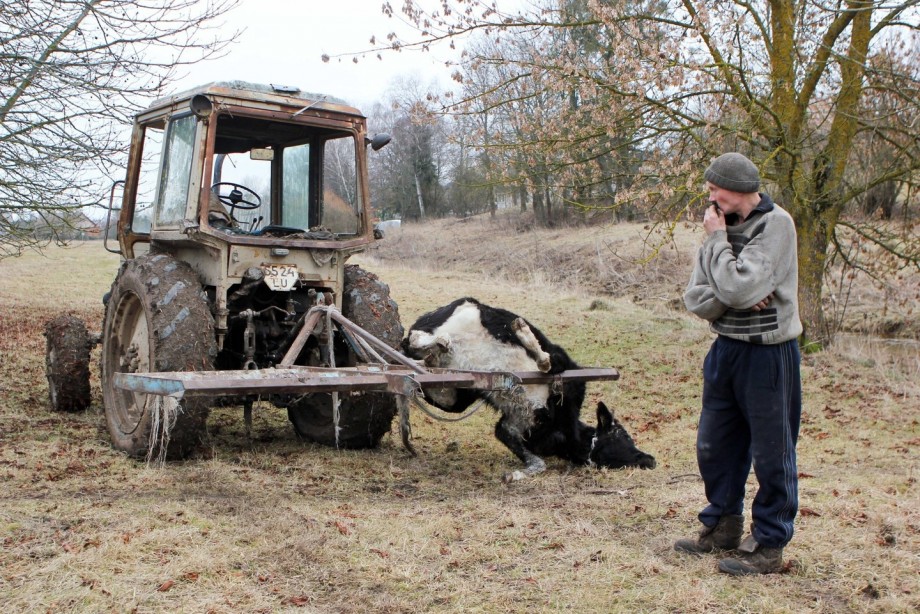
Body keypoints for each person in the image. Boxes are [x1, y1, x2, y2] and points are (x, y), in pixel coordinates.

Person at [675, 152, 803, 576]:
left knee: (772, 450)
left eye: (716, 190)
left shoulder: (776, 225)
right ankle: (723, 525)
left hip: (768, 352)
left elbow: (739, 285)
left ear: (741, 189)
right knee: (715, 444)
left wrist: (723, 260)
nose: (709, 197)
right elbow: (696, 296)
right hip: (726, 349)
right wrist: (736, 295)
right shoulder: (721, 225)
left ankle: (769, 542)